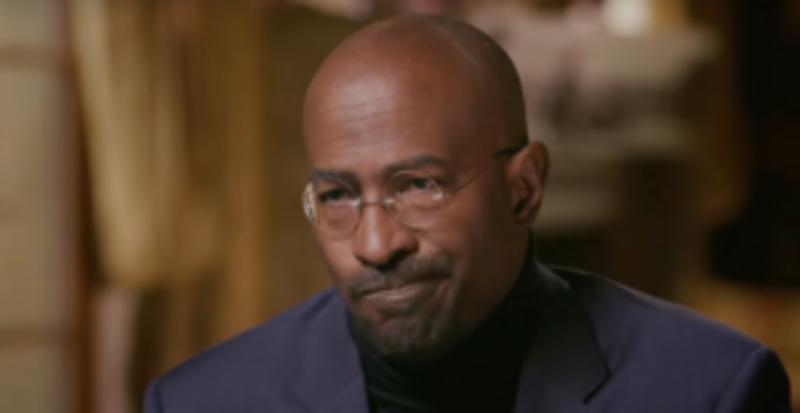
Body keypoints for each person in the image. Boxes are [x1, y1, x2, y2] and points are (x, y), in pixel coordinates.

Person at [143, 15, 791, 413]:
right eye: (338, 195)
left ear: (524, 188)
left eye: (419, 185)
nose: (375, 244)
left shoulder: (710, 391)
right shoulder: (201, 404)